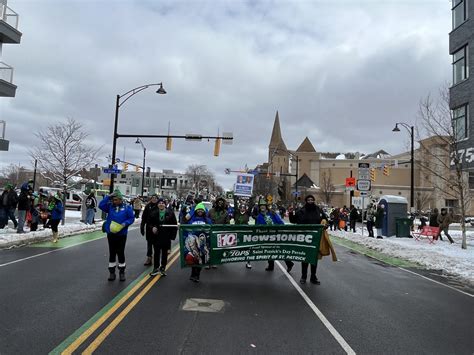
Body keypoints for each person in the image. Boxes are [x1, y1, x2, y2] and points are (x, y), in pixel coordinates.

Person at [289, 195, 327, 284]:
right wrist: (291, 213)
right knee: (305, 258)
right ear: (306, 201)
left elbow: (325, 220)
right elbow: (293, 221)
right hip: (305, 238)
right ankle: (303, 276)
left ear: (314, 201)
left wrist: (326, 225)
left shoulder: (319, 210)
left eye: (312, 200)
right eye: (308, 200)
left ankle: (313, 277)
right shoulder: (301, 211)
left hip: (315, 238)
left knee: (314, 258)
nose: (310, 201)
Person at [99, 190, 135, 281]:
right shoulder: (110, 207)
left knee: (120, 252)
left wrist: (125, 223)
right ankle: (112, 272)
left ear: (120, 199)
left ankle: (122, 272)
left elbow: (131, 218)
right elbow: (100, 205)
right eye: (113, 200)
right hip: (111, 233)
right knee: (112, 252)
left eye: (116, 200)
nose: (114, 201)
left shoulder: (127, 207)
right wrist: (108, 196)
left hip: (121, 234)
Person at [140, 196, 178, 276]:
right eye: (160, 203)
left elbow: (174, 225)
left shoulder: (170, 213)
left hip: (166, 236)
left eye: (163, 203)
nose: (161, 204)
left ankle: (163, 268)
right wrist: (152, 228)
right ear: (157, 204)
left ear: (165, 204)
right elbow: (149, 223)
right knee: (156, 253)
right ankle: (156, 268)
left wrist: (172, 236)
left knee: (164, 253)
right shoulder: (153, 213)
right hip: (156, 236)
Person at [255, 197, 294, 272]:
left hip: (276, 235)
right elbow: (258, 226)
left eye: (263, 205)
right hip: (266, 236)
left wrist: (277, 229)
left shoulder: (272, 213)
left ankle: (289, 263)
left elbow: (281, 223)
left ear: (266, 206)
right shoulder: (259, 216)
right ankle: (271, 266)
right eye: (260, 206)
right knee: (269, 250)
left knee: (280, 250)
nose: (262, 207)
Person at [187, 202, 212, 282]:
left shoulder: (207, 220)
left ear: (204, 211)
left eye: (202, 209)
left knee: (201, 259)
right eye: (198, 209)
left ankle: (197, 275)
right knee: (194, 258)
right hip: (193, 242)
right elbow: (186, 228)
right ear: (196, 210)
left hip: (203, 243)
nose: (200, 211)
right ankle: (193, 273)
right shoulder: (191, 219)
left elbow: (211, 229)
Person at [233, 203, 253, 269]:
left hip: (245, 233)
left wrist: (251, 198)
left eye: (243, 208)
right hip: (236, 233)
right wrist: (235, 196)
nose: (242, 209)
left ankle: (248, 262)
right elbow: (235, 206)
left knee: (247, 247)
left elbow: (250, 207)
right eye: (241, 207)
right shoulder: (236, 213)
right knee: (232, 247)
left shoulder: (247, 214)